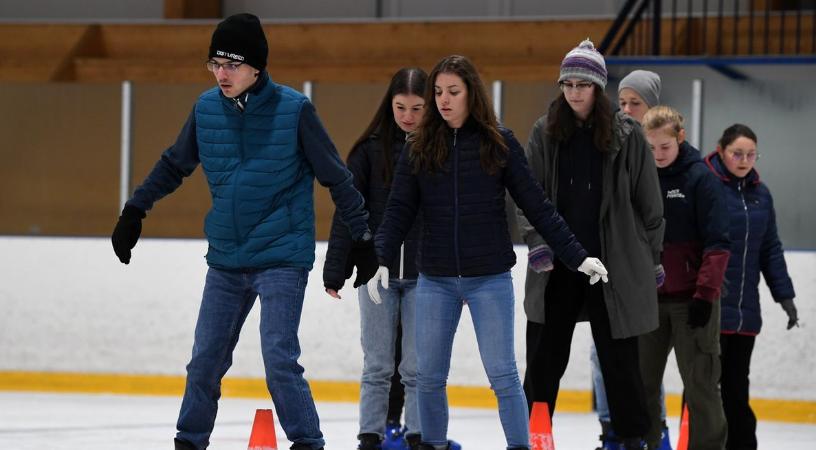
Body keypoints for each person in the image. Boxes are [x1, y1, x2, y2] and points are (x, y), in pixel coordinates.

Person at [110, 13, 377, 450]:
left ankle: (308, 442)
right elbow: (175, 164)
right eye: (215, 63)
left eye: (231, 65)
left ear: (257, 67)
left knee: (278, 358)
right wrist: (135, 208)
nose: (222, 74)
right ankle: (189, 441)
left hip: (282, 256)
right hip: (227, 258)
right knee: (204, 362)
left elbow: (337, 178)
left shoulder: (295, 111)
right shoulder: (205, 108)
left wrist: (362, 239)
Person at [371, 54, 609, 450]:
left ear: (471, 94)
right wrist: (380, 255)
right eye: (438, 92)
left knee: (503, 374)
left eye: (453, 92)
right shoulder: (418, 147)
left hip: (489, 279)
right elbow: (398, 209)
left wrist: (576, 255)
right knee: (428, 375)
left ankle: (520, 446)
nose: (443, 100)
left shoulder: (499, 142)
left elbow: (537, 205)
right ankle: (433, 444)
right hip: (435, 279)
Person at [519, 39, 664, 450]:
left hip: (613, 267)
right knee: (545, 358)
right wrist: (537, 243)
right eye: (567, 83)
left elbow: (649, 204)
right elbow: (527, 195)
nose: (575, 91)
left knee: (620, 361)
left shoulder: (628, 133)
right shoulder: (544, 131)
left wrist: (652, 259)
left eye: (583, 83)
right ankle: (536, 433)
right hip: (558, 264)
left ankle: (631, 437)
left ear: (598, 87)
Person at [323, 67, 430, 450]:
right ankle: (370, 436)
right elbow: (348, 211)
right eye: (401, 107)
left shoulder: (441, 148)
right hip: (375, 276)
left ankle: (418, 436)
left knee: (418, 366)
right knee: (378, 366)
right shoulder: (369, 150)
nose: (408, 116)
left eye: (417, 108)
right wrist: (336, 270)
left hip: (424, 276)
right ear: (390, 105)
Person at [639, 106, 730, 450]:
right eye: (650, 148)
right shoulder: (640, 175)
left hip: (692, 301)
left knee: (701, 384)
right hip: (649, 303)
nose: (658, 155)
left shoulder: (701, 179)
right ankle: (646, 444)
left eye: (664, 147)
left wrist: (705, 295)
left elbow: (719, 243)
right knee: (642, 384)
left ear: (680, 138)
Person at [590, 69, 672, 450]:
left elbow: (655, 214)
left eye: (634, 103)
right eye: (621, 102)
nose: (625, 110)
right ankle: (610, 427)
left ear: (652, 107)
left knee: (643, 356)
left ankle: (655, 426)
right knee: (600, 352)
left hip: (643, 270)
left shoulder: (661, 151)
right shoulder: (609, 143)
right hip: (608, 267)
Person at [705, 124, 798, 450]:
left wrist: (784, 295)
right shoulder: (706, 185)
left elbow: (769, 247)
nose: (744, 160)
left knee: (735, 387)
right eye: (737, 153)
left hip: (745, 311)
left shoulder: (761, 193)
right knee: (704, 387)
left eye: (751, 154)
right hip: (709, 306)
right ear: (721, 150)